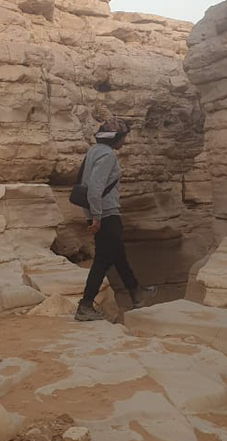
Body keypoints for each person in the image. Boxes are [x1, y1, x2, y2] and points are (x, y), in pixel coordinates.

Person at [75, 117, 157, 322]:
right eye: (124, 137)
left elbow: (85, 187)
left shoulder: (93, 151)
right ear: (116, 137)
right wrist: (96, 217)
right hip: (106, 214)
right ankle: (85, 306)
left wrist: (90, 215)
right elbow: (94, 189)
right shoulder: (107, 155)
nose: (125, 142)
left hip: (100, 213)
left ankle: (136, 292)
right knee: (103, 260)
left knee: (118, 255)